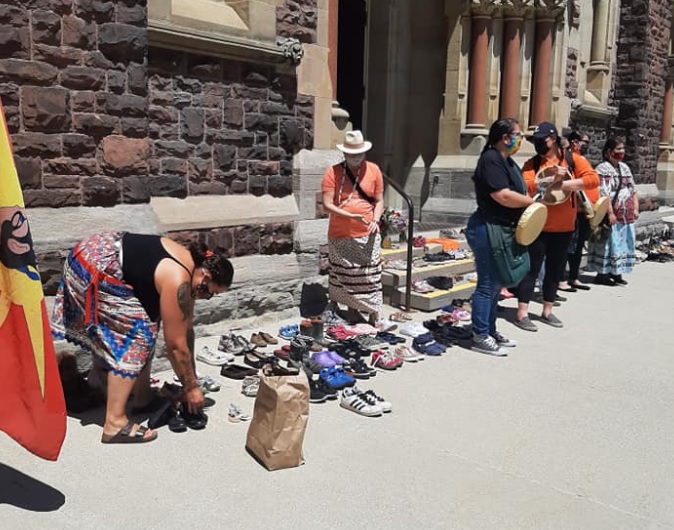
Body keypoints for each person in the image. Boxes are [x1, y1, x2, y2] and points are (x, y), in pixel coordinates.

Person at [52, 232, 233, 444]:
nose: (204, 297)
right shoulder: (179, 279)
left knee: (149, 322)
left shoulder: (190, 273)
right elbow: (175, 345)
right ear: (205, 277)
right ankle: (114, 423)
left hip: (95, 255)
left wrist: (190, 382)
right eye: (208, 293)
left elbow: (184, 332)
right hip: (92, 264)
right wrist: (192, 388)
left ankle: (142, 397)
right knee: (137, 336)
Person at [514, 122, 599, 332]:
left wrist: (566, 183)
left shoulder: (573, 159)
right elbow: (527, 185)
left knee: (555, 270)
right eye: (535, 140)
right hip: (538, 225)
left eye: (541, 140)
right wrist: (550, 178)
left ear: (552, 139)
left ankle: (547, 310)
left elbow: (592, 179)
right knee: (531, 269)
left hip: (564, 227)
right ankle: (522, 312)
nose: (538, 144)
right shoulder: (532, 163)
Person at [467, 118, 534, 356]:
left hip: (502, 228)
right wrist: (532, 203)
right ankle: (480, 335)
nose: (520, 139)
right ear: (505, 138)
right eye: (518, 135)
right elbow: (502, 196)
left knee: (496, 285)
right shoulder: (491, 159)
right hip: (488, 228)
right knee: (487, 285)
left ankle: (490, 330)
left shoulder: (507, 161)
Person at [321, 130, 385, 326]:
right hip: (341, 234)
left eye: (358, 154)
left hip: (367, 233)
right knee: (345, 275)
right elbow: (327, 204)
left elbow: (379, 200)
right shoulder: (333, 172)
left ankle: (374, 312)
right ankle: (351, 310)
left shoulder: (373, 170)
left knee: (369, 275)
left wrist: (375, 219)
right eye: (351, 154)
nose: (355, 157)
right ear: (344, 153)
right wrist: (350, 216)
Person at [586, 137, 639, 285]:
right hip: (612, 215)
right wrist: (610, 213)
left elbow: (633, 189)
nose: (622, 152)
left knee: (622, 245)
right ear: (609, 151)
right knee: (608, 244)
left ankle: (616, 272)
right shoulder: (603, 169)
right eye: (618, 149)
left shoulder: (625, 168)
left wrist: (635, 208)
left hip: (626, 216)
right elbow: (604, 193)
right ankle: (602, 274)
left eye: (623, 149)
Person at [558, 130, 596, 292]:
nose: (586, 145)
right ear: (574, 142)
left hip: (583, 210)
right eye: (584, 142)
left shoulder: (582, 160)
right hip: (571, 209)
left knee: (579, 245)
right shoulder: (568, 160)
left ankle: (574, 277)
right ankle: (561, 279)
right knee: (566, 246)